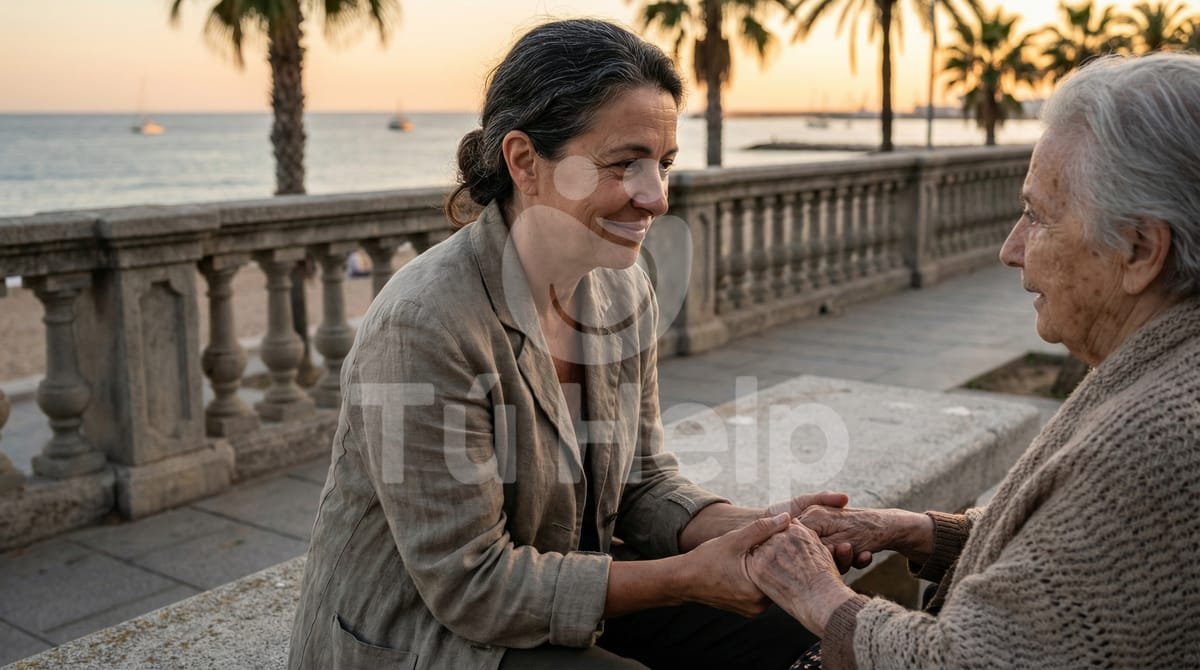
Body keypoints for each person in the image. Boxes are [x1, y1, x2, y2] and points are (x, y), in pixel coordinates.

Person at [288, 19, 861, 670]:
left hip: (547, 593)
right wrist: (687, 577)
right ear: (525, 163)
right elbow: (473, 587)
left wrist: (767, 532)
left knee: (801, 624)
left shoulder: (624, 292)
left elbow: (640, 480)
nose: (657, 198)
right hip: (419, 637)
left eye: (664, 165)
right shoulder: (422, 325)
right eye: (625, 165)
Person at [745, 52, 1200, 669]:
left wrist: (820, 597)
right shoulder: (1165, 374)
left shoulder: (1152, 442)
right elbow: (1075, 565)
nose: (1011, 249)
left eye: (1037, 216)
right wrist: (916, 530)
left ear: (1141, 249)